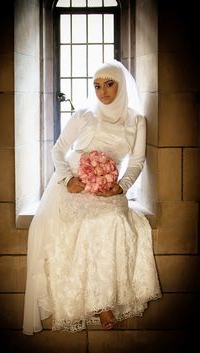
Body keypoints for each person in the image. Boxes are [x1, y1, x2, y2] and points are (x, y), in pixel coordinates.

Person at [22, 59, 162, 334]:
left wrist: (121, 186)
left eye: (109, 84)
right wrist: (67, 179)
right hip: (75, 184)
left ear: (121, 86)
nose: (103, 91)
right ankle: (101, 306)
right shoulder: (85, 114)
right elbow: (58, 150)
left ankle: (105, 298)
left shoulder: (136, 120)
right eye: (97, 86)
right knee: (83, 225)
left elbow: (136, 160)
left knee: (113, 221)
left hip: (109, 186)